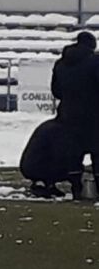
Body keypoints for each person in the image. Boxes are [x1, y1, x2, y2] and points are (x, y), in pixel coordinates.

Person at [51, 31, 99, 199]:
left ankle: (77, 189)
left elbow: (56, 91)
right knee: (97, 152)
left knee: (73, 154)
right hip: (94, 116)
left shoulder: (61, 63)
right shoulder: (95, 62)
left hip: (69, 115)